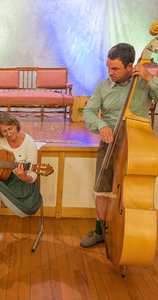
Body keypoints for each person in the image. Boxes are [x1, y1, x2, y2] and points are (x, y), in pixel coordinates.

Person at [81, 43, 158, 247]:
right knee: (102, 188)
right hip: (109, 144)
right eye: (108, 67)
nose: (110, 72)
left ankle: (136, 231)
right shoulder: (103, 86)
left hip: (138, 146)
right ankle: (100, 231)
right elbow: (88, 111)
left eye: (115, 68)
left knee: (136, 191)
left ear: (130, 66)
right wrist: (101, 125)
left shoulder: (144, 83)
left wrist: (150, 80)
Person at [0, 112, 42, 258]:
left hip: (24, 187)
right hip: (7, 181)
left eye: (10, 128)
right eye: (4, 131)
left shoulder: (29, 143)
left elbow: (34, 175)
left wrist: (25, 177)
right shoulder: (0, 138)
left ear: (16, 124)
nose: (8, 133)